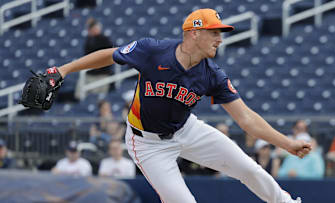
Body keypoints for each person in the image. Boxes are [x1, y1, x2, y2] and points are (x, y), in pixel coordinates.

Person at [47, 8, 311, 203]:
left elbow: (246, 119)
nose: (220, 39)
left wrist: (286, 144)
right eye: (214, 32)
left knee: (248, 168)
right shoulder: (152, 50)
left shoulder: (212, 74)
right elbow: (110, 55)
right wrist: (64, 69)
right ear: (194, 33)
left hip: (187, 130)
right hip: (147, 143)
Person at [75, 18, 114, 99]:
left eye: (94, 28)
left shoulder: (104, 39)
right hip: (90, 73)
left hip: (101, 74)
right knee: (79, 94)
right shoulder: (89, 40)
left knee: (98, 98)